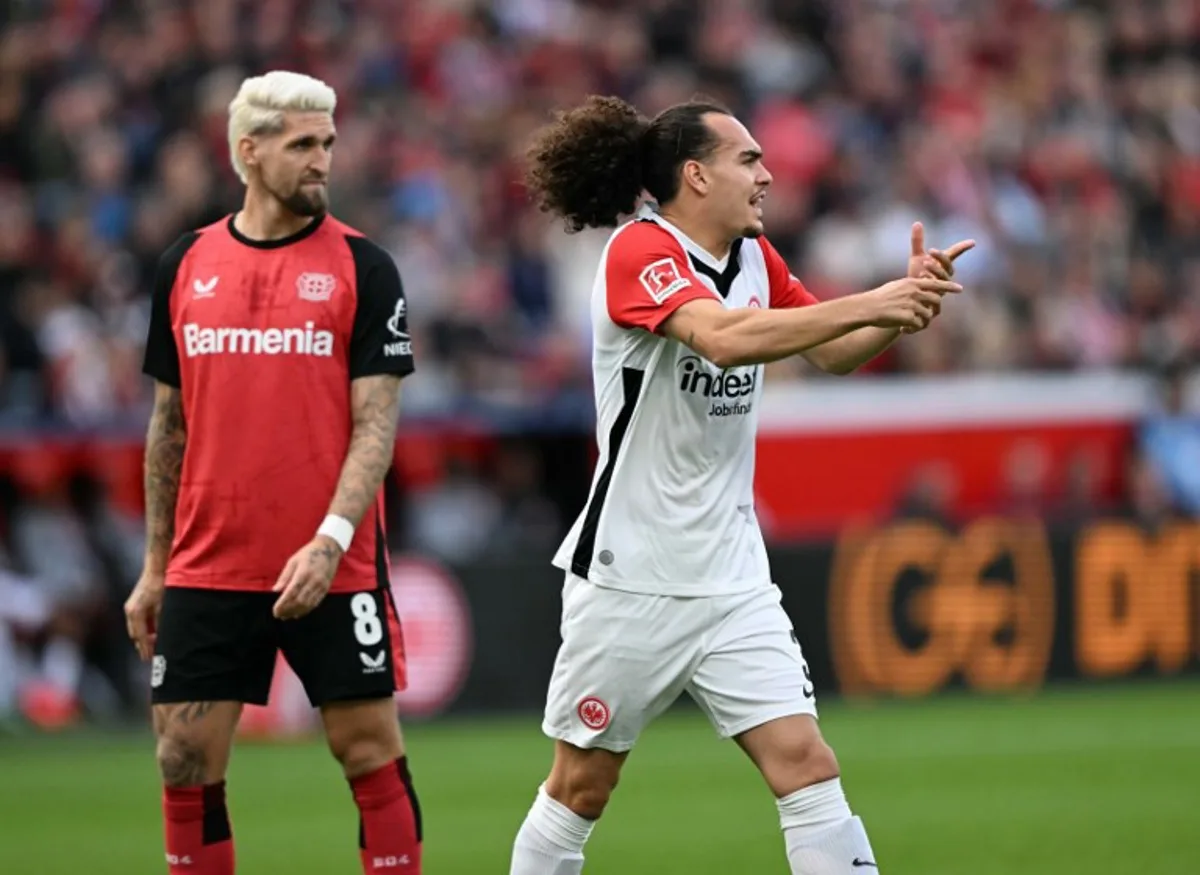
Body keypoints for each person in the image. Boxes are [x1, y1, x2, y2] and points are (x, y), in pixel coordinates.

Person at [509, 95, 973, 875]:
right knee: (581, 786)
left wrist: (903, 311)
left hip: (731, 574)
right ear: (696, 174)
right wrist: (874, 300)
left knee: (806, 761)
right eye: (748, 159)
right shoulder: (638, 251)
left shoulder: (756, 258)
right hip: (633, 575)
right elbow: (723, 339)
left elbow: (830, 350)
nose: (767, 174)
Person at [123, 70, 421, 875]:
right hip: (208, 561)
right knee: (183, 758)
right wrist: (155, 567)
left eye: (327, 142)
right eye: (302, 145)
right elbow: (168, 426)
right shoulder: (185, 265)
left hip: (333, 562)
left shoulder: (367, 267)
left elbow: (376, 427)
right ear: (248, 153)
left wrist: (327, 541)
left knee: (366, 749)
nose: (322, 159)